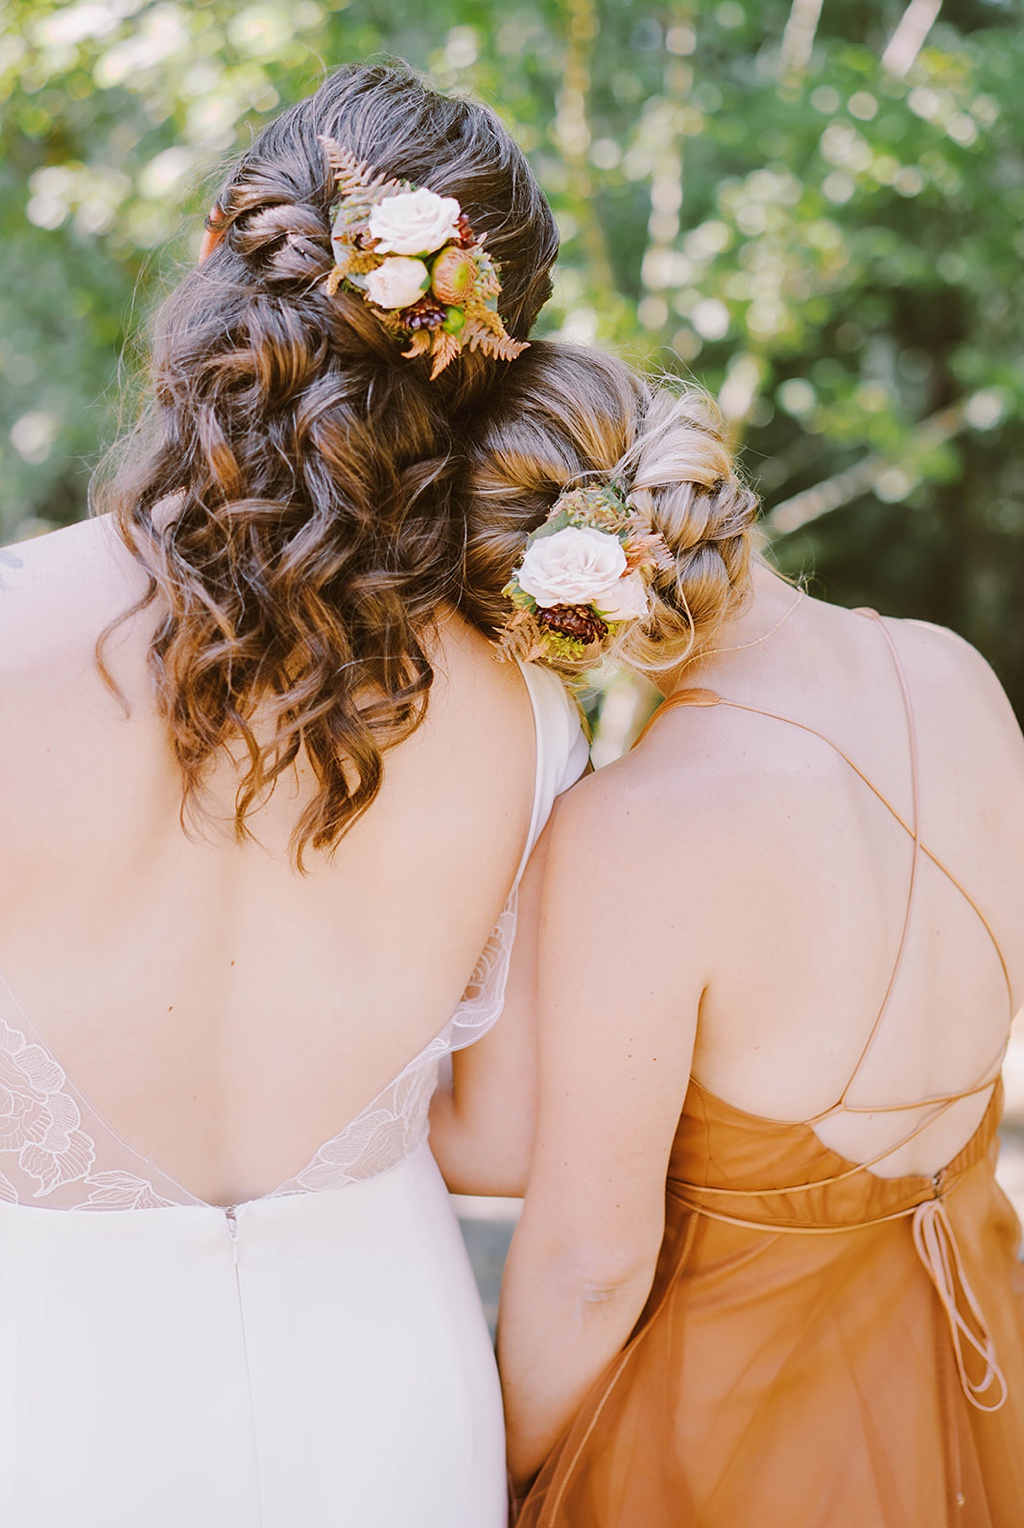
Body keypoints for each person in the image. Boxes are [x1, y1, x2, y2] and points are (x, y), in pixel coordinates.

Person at [0, 62, 590, 1527]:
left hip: (46, 1398)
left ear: (218, 256)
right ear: (484, 356)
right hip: (383, 1398)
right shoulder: (528, 708)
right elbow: (505, 1142)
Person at [493, 381, 1024, 1525]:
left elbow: (589, 1268)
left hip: (730, 1432)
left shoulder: (643, 823)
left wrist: (504, 1472)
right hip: (978, 1353)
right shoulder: (955, 671)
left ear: (540, 611)